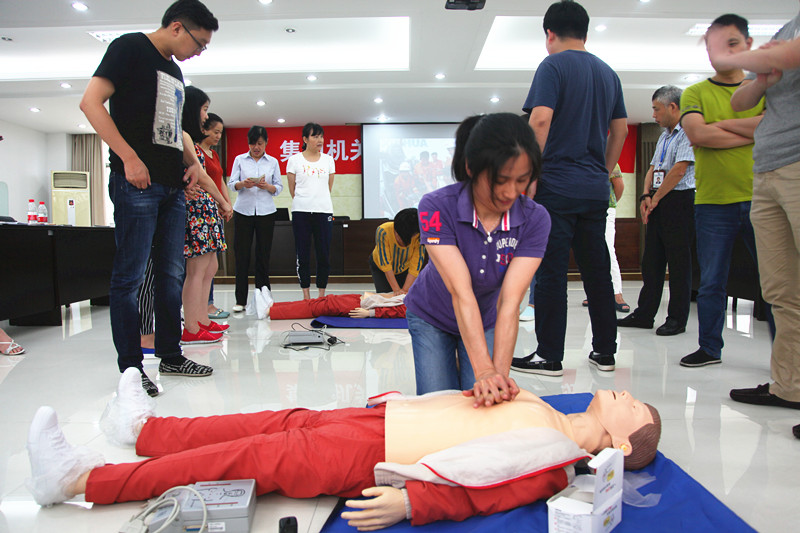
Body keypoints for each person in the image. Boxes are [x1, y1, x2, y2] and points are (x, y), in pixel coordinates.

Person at [26, 368, 661, 530]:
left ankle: (79, 480)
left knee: (243, 459)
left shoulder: (557, 459)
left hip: (370, 457)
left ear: (621, 439)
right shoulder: (551, 410)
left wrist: (414, 504)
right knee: (266, 422)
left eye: (633, 406)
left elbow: (488, 490)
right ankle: (142, 431)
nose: (625, 394)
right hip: (382, 418)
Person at [79, 0, 219, 395]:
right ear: (177, 27)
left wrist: (188, 166)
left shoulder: (174, 70)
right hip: (137, 185)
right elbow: (90, 102)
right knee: (130, 277)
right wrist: (128, 158)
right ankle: (131, 367)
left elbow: (169, 130)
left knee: (171, 276)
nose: (199, 51)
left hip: (173, 188)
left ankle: (170, 354)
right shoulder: (129, 48)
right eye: (199, 43)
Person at [512, 0, 627, 377]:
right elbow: (621, 130)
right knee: (597, 272)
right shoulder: (608, 73)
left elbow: (540, 121)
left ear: (550, 34)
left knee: (551, 273)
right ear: (585, 33)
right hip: (594, 191)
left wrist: (529, 175)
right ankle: (605, 352)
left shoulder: (553, 66)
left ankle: (549, 355)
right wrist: (601, 171)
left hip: (556, 188)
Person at [404, 113, 550, 406]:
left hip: (487, 317)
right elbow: (461, 291)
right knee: (440, 404)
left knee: (487, 404)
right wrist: (483, 370)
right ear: (471, 167)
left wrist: (497, 378)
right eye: (500, 180)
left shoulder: (535, 219)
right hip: (432, 315)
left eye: (521, 180)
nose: (511, 192)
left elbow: (510, 302)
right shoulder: (435, 206)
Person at [703, 10, 800, 430]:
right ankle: (790, 386)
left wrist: (731, 55)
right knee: (781, 290)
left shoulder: (785, 42)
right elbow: (741, 100)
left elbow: (789, 56)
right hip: (767, 170)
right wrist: (761, 76)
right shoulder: (785, 29)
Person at [678, 14, 773, 368]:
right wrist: (750, 129)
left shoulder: (764, 89)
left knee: (775, 283)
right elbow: (698, 134)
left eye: (732, 43)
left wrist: (721, 126)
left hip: (763, 198)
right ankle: (709, 348)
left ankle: (786, 359)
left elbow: (770, 128)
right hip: (712, 203)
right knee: (712, 282)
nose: (722, 51)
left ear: (748, 44)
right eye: (714, 46)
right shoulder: (695, 93)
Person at [618, 86, 695, 337]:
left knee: (678, 263)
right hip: (658, 201)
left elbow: (679, 170)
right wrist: (645, 195)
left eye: (656, 109)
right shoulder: (663, 136)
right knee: (652, 261)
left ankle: (676, 319)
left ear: (672, 107)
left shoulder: (688, 132)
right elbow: (653, 167)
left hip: (679, 201)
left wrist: (656, 198)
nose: (653, 115)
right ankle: (644, 314)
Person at [180, 86, 232, 345]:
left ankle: (201, 320)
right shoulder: (184, 137)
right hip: (198, 211)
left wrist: (220, 202)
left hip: (207, 210)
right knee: (197, 270)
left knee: (209, 267)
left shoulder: (191, 139)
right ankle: (191, 326)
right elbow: (201, 176)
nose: (205, 115)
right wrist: (223, 201)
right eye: (203, 109)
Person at [227, 126, 283, 312]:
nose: (256, 147)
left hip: (266, 212)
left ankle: (263, 299)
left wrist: (267, 186)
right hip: (243, 212)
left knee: (263, 255)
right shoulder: (239, 160)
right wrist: (243, 184)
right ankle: (240, 300)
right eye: (252, 144)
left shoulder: (273, 162)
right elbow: (231, 184)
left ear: (266, 143)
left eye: (260, 143)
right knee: (241, 255)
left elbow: (278, 187)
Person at [287, 123, 336, 300]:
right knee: (303, 253)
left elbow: (328, 187)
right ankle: (306, 295)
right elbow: (292, 189)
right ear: (305, 139)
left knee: (323, 254)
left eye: (321, 136)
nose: (319, 140)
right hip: (301, 211)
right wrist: (306, 201)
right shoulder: (294, 160)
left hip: (324, 211)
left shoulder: (328, 160)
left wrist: (317, 201)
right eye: (315, 136)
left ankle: (321, 294)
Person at [578, 163, 629, 313]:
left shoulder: (606, 155)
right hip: (584, 210)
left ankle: (617, 293)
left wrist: (609, 204)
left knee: (608, 250)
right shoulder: (580, 157)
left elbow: (619, 185)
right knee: (589, 252)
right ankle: (593, 293)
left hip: (604, 208)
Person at [199, 112, 231, 320]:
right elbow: (204, 182)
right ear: (204, 130)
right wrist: (222, 202)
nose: (218, 136)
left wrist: (227, 204)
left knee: (212, 263)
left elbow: (219, 182)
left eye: (220, 132)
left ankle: (208, 304)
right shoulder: (196, 152)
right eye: (215, 132)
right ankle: (201, 308)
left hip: (215, 211)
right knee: (201, 265)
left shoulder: (214, 154)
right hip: (201, 212)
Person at [369, 208, 426, 294]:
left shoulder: (419, 236)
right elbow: (385, 264)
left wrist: (404, 290)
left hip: (404, 267)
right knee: (386, 295)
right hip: (381, 267)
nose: (401, 241)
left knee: (407, 295)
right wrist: (396, 290)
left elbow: (415, 267)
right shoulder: (383, 231)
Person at [266, 291, 406, 320]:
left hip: (361, 305)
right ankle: (272, 306)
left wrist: (370, 313)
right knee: (316, 303)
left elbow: (399, 311)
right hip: (361, 298)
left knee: (316, 307)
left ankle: (269, 311)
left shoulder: (415, 306)